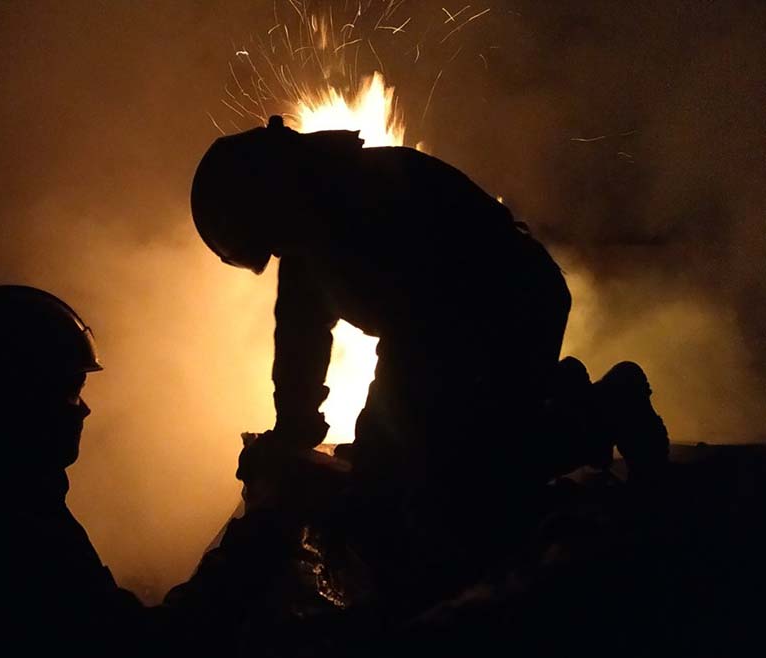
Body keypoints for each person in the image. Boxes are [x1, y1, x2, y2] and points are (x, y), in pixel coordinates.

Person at [190, 117, 668, 604]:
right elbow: (300, 341)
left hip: (512, 310)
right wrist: (293, 428)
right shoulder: (308, 231)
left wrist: (379, 448)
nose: (272, 250)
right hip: (465, 328)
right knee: (417, 472)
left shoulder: (362, 201)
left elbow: (419, 337)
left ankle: (609, 405)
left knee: (461, 489)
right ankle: (556, 394)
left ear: (264, 198)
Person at [0, 286, 300, 658]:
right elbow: (143, 648)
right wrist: (259, 531)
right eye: (71, 392)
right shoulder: (5, 529)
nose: (85, 409)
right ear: (17, 398)